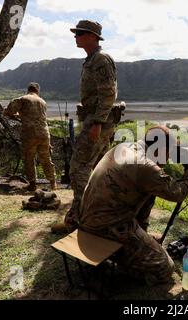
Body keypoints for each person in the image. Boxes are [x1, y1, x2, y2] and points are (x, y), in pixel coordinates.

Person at [77, 126, 188, 285]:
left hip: (88, 220)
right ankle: (124, 263)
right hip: (107, 228)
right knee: (165, 268)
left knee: (149, 193)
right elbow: (176, 193)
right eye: (168, 153)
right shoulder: (144, 165)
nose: (168, 159)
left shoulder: (123, 147)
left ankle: (136, 242)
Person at [62, 20, 118, 232]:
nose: (75, 36)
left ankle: (78, 218)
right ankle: (97, 214)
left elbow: (108, 94)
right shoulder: (91, 60)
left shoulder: (101, 59)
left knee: (78, 168)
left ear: (93, 36)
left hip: (97, 122)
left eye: (80, 33)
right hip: (95, 120)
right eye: (76, 33)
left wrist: (97, 123)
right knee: (98, 170)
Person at [3, 82, 56, 191]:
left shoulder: (23, 99)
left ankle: (32, 184)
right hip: (44, 134)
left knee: (29, 159)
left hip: (30, 134)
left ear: (28, 90)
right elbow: (37, 117)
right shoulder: (43, 102)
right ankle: (53, 182)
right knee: (46, 158)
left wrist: (10, 114)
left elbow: (8, 111)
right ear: (37, 91)